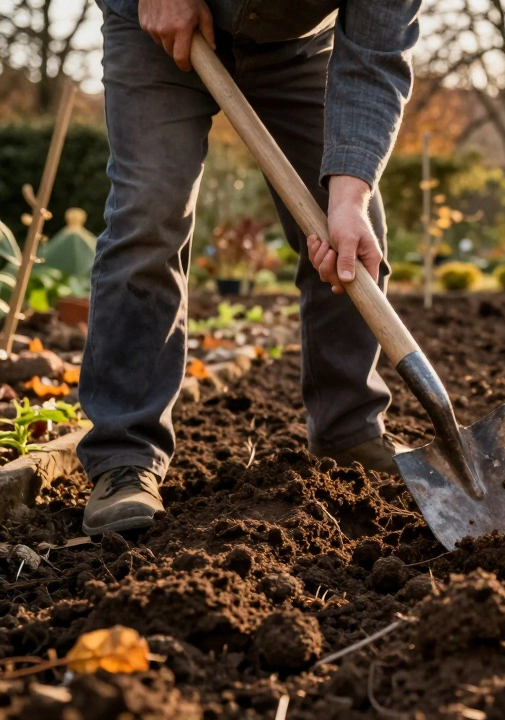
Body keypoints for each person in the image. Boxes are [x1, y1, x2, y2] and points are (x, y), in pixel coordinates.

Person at [78, 0, 421, 536]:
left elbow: (376, 55)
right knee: (150, 213)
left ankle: (348, 430)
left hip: (296, 45)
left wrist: (349, 195)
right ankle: (125, 455)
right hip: (158, 28)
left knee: (349, 229)